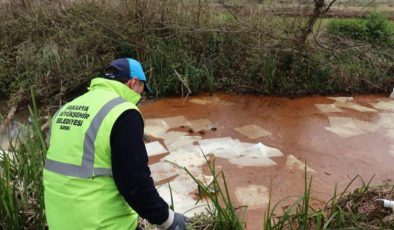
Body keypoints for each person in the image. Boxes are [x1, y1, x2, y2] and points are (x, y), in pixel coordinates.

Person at [43, 58, 186, 230]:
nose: (141, 95)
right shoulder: (124, 113)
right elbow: (135, 183)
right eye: (142, 88)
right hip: (101, 223)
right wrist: (167, 219)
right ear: (133, 83)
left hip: (59, 222)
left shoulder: (66, 109)